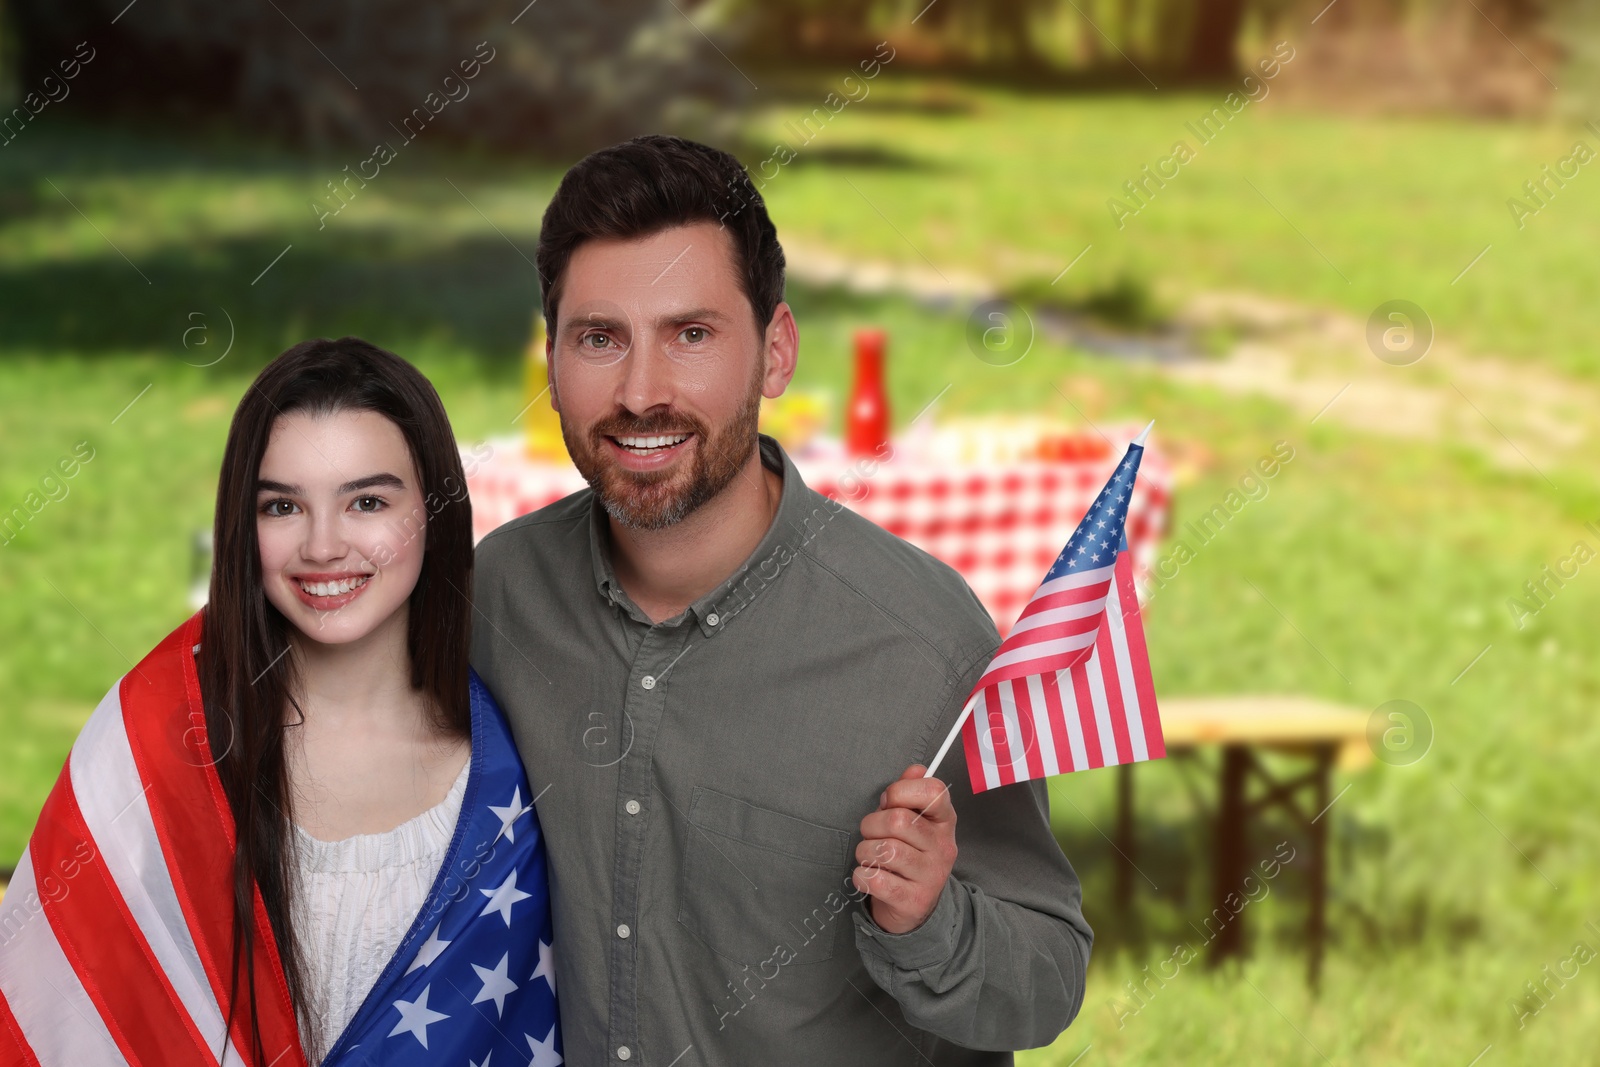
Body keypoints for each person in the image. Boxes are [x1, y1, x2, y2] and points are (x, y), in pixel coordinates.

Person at [471, 134, 1092, 1065]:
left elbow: (1044, 982)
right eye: (600, 339)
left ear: (775, 352)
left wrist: (932, 918)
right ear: (552, 357)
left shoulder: (919, 643)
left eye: (691, 334)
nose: (641, 393)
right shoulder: (495, 598)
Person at [0, 338, 559, 1067]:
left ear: (434, 508)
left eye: (367, 500)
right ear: (242, 521)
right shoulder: (158, 737)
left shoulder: (513, 772)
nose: (322, 544)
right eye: (283, 505)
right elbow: (57, 1002)